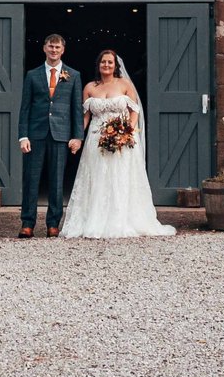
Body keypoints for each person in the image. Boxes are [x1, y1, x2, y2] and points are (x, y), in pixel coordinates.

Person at [61, 48, 176, 240]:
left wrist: (127, 131)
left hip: (122, 139)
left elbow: (134, 110)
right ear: (98, 65)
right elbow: (86, 117)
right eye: (103, 62)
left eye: (110, 62)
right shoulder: (90, 87)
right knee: (97, 177)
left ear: (115, 65)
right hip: (96, 140)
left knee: (120, 177)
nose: (106, 65)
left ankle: (121, 219)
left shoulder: (125, 85)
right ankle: (95, 219)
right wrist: (78, 137)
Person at [17, 33, 84, 237]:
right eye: (50, 46)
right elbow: (25, 108)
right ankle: (27, 223)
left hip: (60, 135)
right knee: (31, 179)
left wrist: (77, 136)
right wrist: (23, 136)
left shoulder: (73, 75)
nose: (54, 50)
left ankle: (53, 224)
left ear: (63, 50)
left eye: (57, 47)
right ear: (44, 48)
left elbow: (76, 110)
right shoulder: (32, 75)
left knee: (56, 182)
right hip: (36, 134)